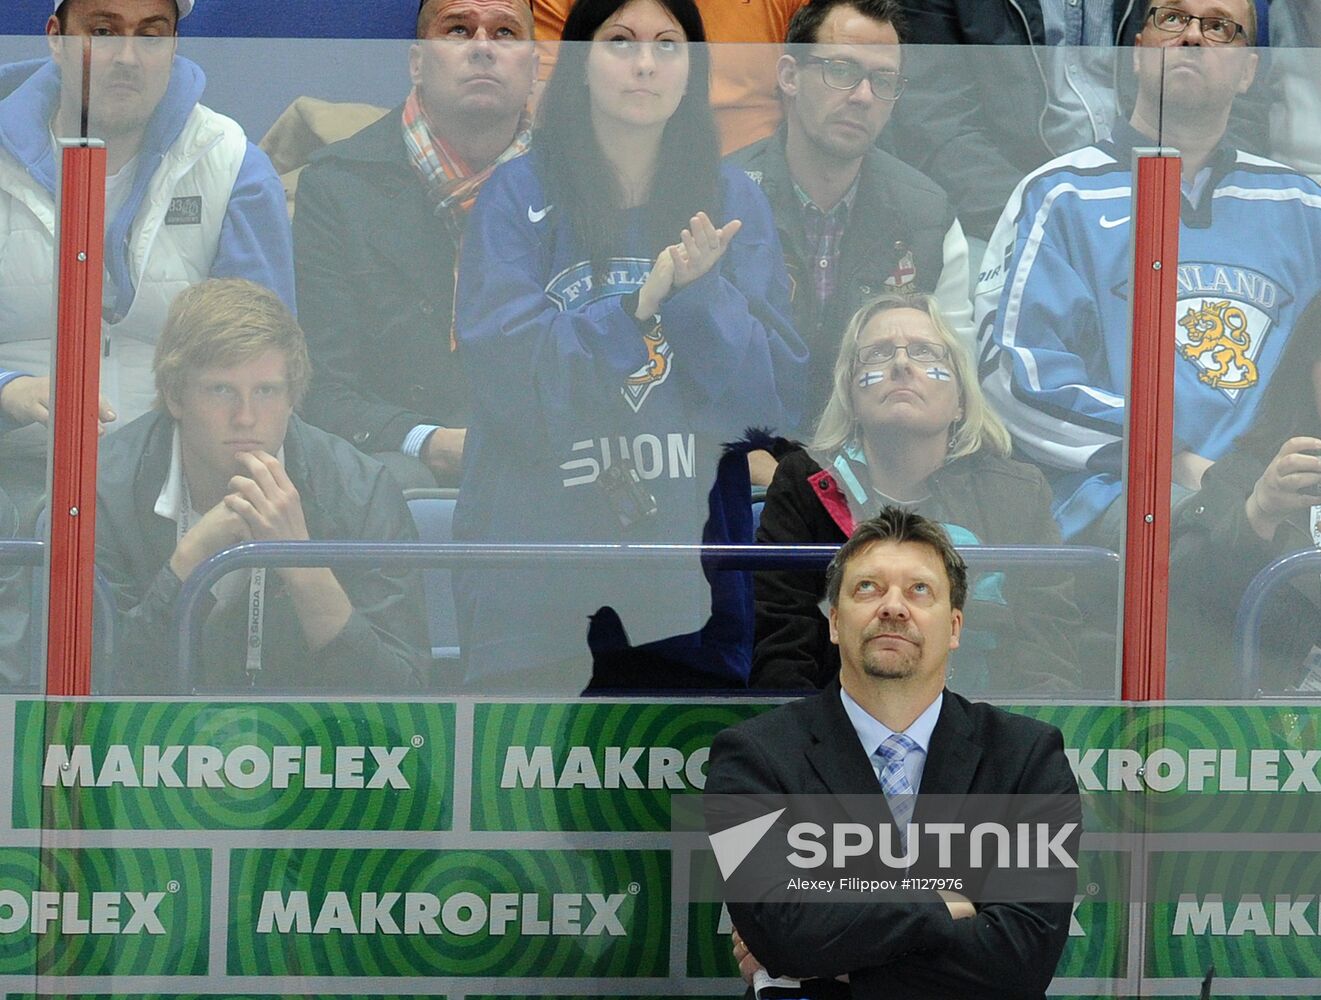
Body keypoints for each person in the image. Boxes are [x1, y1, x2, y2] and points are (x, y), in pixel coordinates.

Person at [453, 0, 806, 691]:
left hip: (690, 595)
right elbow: (510, 382)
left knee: (681, 801)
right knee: (528, 797)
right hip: (536, 593)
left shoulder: (733, 199)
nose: (644, 63)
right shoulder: (514, 194)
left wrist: (699, 298)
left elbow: (767, 406)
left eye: (667, 45)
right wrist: (638, 309)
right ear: (579, 63)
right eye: (619, 41)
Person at [976, 0, 1321, 545]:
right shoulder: (1060, 194)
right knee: (1204, 550)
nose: (1191, 38)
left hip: (1282, 497)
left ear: (1250, 71)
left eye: (1218, 27)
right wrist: (1170, 456)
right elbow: (1013, 378)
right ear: (1136, 52)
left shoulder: (1303, 207)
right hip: (1122, 498)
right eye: (1172, 19)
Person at [708, 507, 1080, 998]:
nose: (893, 607)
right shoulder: (750, 758)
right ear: (835, 622)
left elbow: (1021, 958)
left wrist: (831, 965)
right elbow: (780, 932)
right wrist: (947, 907)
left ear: (954, 627)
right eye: (868, 587)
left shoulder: (1029, 758)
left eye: (919, 590)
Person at [0, 0, 293, 519]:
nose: (129, 57)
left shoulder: (232, 166)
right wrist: (8, 391)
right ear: (55, 37)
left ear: (175, 44)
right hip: (11, 477)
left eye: (152, 36)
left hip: (175, 489)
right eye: (104, 32)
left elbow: (265, 362)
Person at [94, 279, 428, 694]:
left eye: (266, 392)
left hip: (311, 746)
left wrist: (301, 565)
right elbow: (97, 693)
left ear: (292, 398)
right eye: (221, 390)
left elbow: (401, 706)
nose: (246, 417)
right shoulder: (102, 490)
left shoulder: (360, 492)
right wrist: (190, 562)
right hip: (147, 750)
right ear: (175, 395)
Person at [754, 293, 1082, 694]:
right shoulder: (805, 484)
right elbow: (783, 645)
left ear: (960, 400)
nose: (901, 364)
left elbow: (1046, 651)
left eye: (926, 352)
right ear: (851, 396)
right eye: (877, 353)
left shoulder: (1014, 492)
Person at [293, 0, 539, 490]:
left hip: (545, 463)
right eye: (458, 30)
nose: (483, 48)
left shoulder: (577, 183)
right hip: (396, 466)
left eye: (506, 32)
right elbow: (319, 389)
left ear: (534, 67)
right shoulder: (337, 186)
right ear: (416, 63)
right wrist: (424, 439)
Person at [727, 0, 973, 431]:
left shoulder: (928, 217)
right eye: (841, 71)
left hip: (877, 455)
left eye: (883, 80)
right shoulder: (719, 198)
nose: (862, 97)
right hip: (743, 451)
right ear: (789, 77)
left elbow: (955, 380)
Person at [887, 0, 1269, 241]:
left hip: (1169, 200)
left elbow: (1233, 88)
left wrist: (1194, 209)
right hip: (1009, 211)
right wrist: (1043, 220)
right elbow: (937, 124)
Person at [1168, 293, 1321, 697]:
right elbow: (1183, 617)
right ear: (1307, 371)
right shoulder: (1247, 475)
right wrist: (1258, 513)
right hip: (1272, 733)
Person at [533, 0, 806, 154]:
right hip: (594, 169)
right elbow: (552, 99)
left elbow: (819, 85)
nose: (645, 65)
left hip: (757, 177)